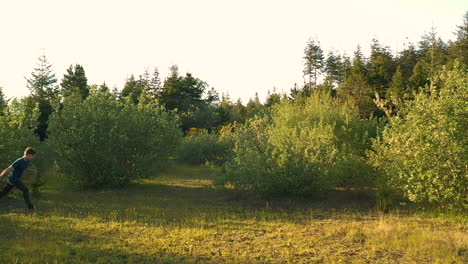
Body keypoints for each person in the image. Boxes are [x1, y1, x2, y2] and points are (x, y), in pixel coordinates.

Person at [0, 147, 37, 212]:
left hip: (15, 179)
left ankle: (31, 208)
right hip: (13, 179)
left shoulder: (27, 161)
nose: (33, 157)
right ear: (28, 154)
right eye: (32, 156)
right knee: (25, 190)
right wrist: (1, 176)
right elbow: (9, 168)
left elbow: (24, 167)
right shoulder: (19, 161)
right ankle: (31, 207)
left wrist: (32, 171)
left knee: (4, 193)